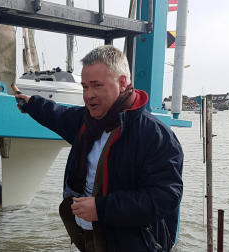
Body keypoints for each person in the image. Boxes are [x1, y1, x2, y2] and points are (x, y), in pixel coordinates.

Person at [15, 45, 183, 252]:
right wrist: (31, 104)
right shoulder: (86, 121)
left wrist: (102, 208)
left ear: (122, 83)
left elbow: (165, 197)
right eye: (85, 87)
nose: (88, 95)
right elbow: (57, 115)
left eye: (96, 86)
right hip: (91, 238)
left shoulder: (157, 136)